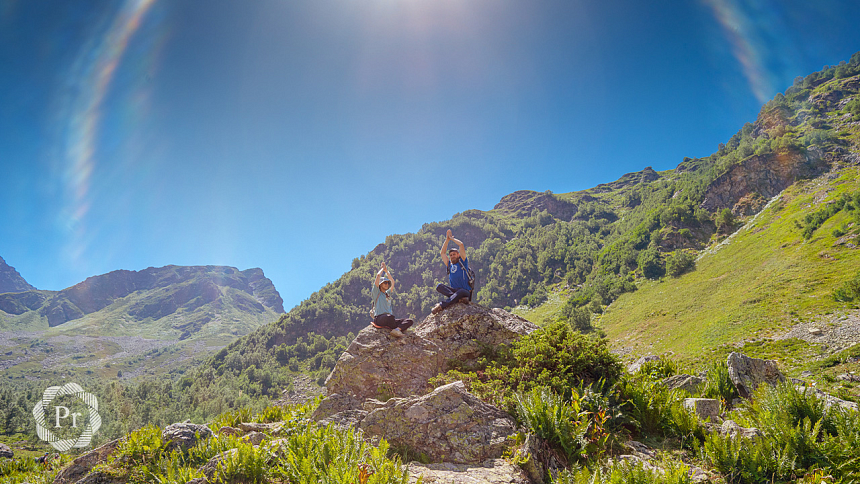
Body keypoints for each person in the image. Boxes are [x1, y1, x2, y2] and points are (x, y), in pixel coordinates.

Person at [431, 229, 472, 314]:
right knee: (439, 286)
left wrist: (452, 238)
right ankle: (459, 300)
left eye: (454, 254)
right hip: (454, 291)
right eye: (451, 255)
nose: (452, 256)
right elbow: (442, 253)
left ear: (458, 255)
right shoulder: (449, 265)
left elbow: (461, 245)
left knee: (460, 292)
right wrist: (447, 240)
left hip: (465, 291)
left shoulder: (463, 262)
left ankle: (442, 305)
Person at [371, 261, 414, 337]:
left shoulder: (387, 294)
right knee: (389, 317)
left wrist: (387, 271)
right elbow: (378, 276)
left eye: (387, 283)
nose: (387, 284)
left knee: (409, 321)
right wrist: (382, 269)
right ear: (380, 285)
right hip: (379, 318)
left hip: (389, 319)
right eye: (385, 283)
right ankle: (396, 329)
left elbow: (392, 282)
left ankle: (396, 330)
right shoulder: (376, 293)